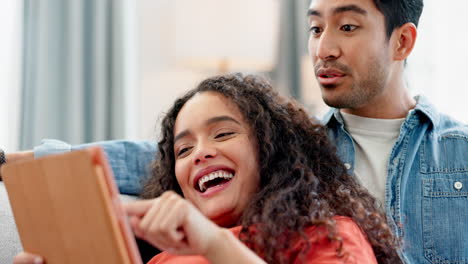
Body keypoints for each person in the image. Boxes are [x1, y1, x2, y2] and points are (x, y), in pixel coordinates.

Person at [3, 0, 468, 263]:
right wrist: (14, 164)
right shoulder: (297, 142)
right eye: (313, 28)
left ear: (403, 40)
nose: (323, 48)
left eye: (346, 26)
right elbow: (140, 157)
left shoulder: (456, 155)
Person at [12, 74, 402, 263]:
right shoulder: (165, 259)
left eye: (222, 134)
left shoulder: (325, 237)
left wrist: (214, 245)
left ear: (272, 150)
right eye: (183, 149)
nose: (200, 153)